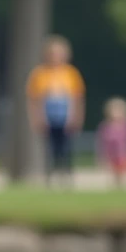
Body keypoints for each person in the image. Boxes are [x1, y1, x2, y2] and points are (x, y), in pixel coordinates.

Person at [27, 35, 85, 188]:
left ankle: (66, 177)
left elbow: (77, 98)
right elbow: (35, 99)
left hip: (66, 117)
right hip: (48, 117)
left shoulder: (71, 73)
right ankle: (50, 177)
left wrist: (76, 117)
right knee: (50, 148)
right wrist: (37, 118)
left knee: (66, 148)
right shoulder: (40, 74)